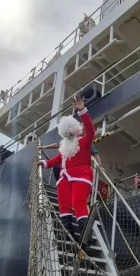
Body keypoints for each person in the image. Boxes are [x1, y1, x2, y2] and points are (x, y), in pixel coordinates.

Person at [38, 97, 95, 247]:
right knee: (64, 205)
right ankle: (67, 234)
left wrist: (82, 111)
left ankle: (86, 237)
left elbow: (91, 130)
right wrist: (44, 163)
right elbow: (57, 159)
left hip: (81, 176)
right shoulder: (64, 146)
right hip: (65, 179)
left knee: (78, 203)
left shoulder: (84, 142)